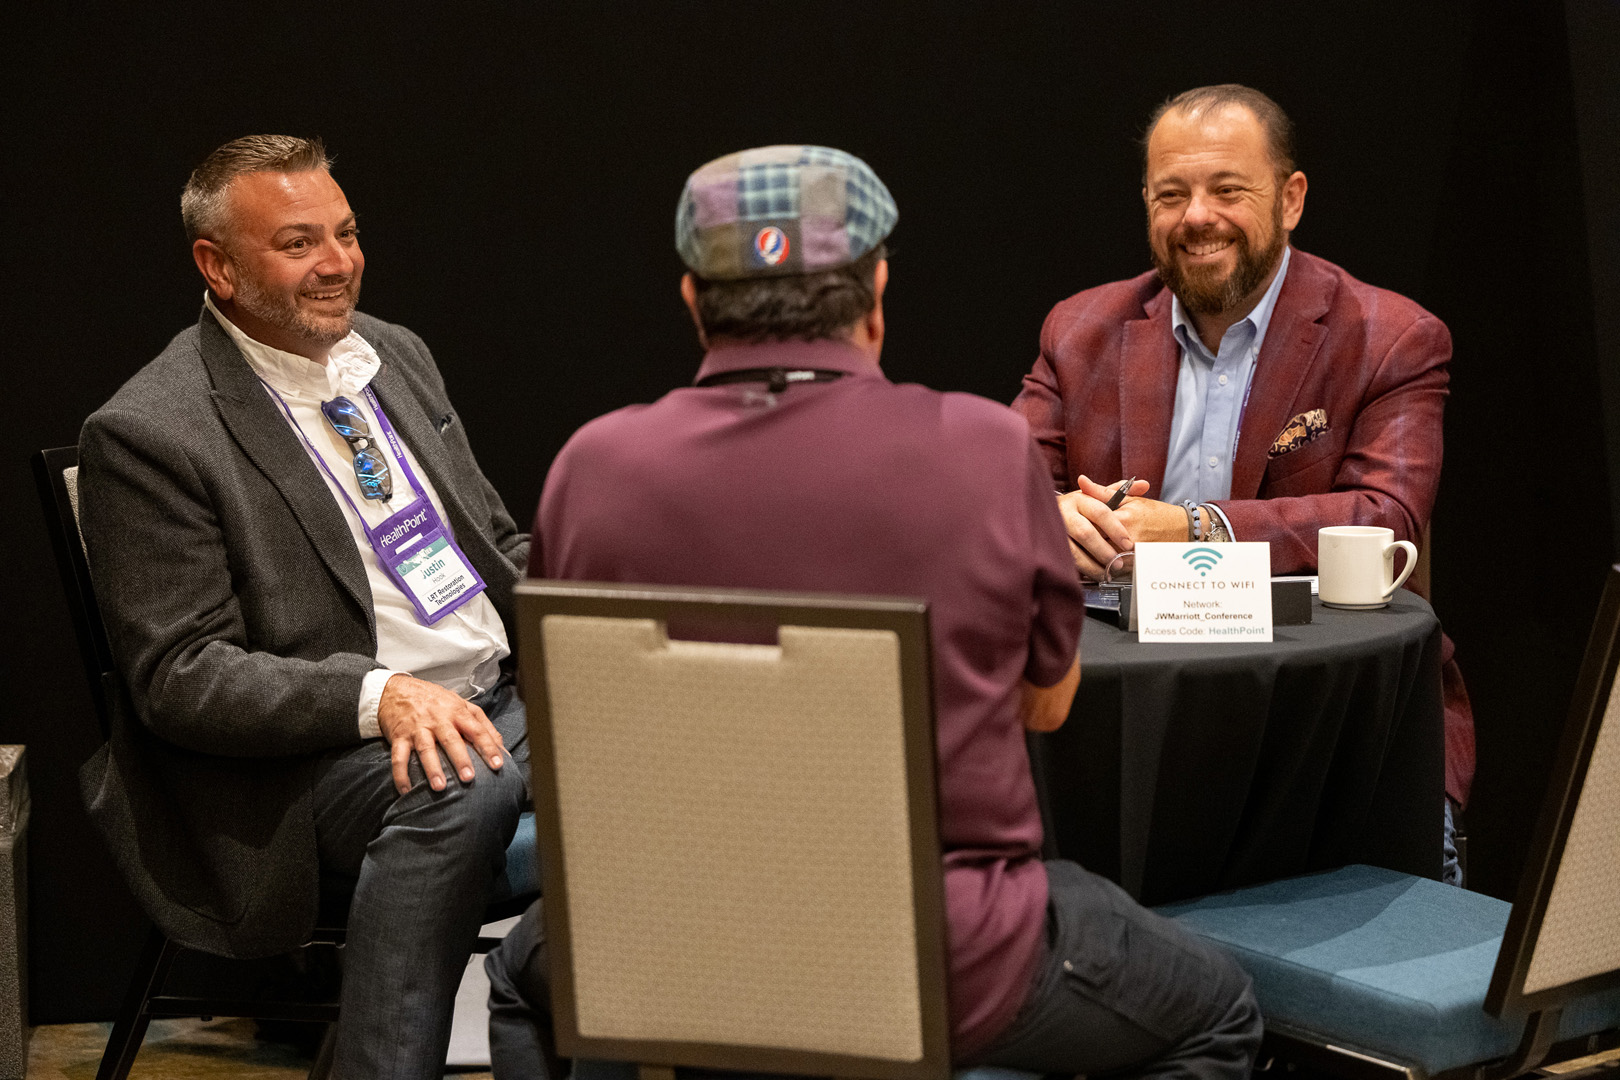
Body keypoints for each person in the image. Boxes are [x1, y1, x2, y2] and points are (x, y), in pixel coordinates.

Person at [486, 145, 1261, 1080]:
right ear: (878, 292)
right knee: (1219, 1014)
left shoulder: (591, 469)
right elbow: (1047, 704)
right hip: (941, 960)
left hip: (671, 942)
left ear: (693, 300)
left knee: (520, 974)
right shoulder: (984, 449)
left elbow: (576, 720)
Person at [77, 135, 532, 1078]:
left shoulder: (394, 355)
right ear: (219, 267)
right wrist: (383, 696)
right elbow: (181, 676)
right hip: (313, 757)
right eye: (298, 243)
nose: (338, 263)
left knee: (675, 738)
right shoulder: (152, 430)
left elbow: (493, 544)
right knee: (461, 782)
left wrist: (608, 618)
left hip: (498, 694)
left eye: (347, 233)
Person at [1013, 85, 1474, 878]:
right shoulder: (1079, 327)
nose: (1198, 216)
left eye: (1228, 189)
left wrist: (1195, 528)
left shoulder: (1391, 337)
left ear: (1290, 200)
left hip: (1325, 721)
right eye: (1171, 194)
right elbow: (999, 486)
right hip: (1124, 722)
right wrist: (1049, 512)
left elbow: (1387, 517)